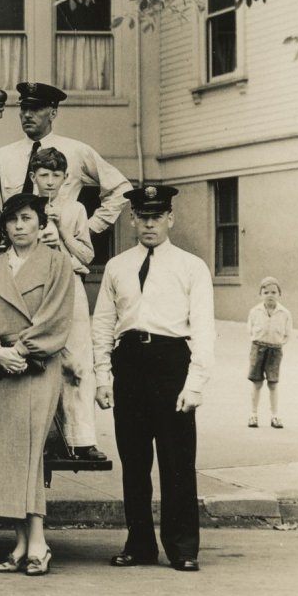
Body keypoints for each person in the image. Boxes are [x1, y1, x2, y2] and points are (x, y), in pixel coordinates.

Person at [91, 185, 215, 572]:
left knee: (177, 460)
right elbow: (103, 324)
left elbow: (204, 329)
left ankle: (182, 547)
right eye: (142, 216)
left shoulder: (191, 267)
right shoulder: (117, 266)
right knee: (134, 459)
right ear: (131, 219)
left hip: (171, 363)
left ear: (169, 219)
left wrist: (194, 383)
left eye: (156, 216)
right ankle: (139, 543)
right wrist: (102, 375)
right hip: (129, 362)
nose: (149, 223)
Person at [0, 193, 76, 577]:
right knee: (6, 454)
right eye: (12, 220)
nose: (19, 226)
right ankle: (21, 542)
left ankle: (39, 542)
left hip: (36, 366)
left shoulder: (57, 264)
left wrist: (21, 351)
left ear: (40, 222)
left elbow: (56, 318)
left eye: (27, 218)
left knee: (29, 452)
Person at [30, 147, 109, 461]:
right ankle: (46, 436)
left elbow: (88, 256)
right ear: (34, 176)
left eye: (56, 175)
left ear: (65, 178)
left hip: (71, 283)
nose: (49, 181)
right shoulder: (26, 206)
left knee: (77, 358)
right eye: (43, 174)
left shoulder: (75, 209)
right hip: (37, 285)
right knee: (41, 357)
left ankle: (82, 438)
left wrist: (61, 232)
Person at [0, 82, 131, 235]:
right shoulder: (3, 155)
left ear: (53, 113)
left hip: (60, 244)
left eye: (36, 109)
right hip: (16, 244)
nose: (27, 114)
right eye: (24, 108)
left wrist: (88, 228)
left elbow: (121, 188)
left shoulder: (76, 151)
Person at [246, 277, 292, 429]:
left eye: (274, 292)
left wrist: (277, 344)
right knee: (257, 383)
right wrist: (258, 342)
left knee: (273, 384)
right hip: (258, 348)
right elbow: (250, 330)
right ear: (260, 294)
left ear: (279, 294)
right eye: (266, 292)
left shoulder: (285, 313)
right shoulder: (255, 311)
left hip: (275, 350)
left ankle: (275, 416)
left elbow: (287, 334)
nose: (270, 295)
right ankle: (253, 414)